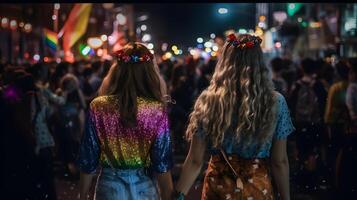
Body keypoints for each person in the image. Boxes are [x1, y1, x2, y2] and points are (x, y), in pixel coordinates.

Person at [174, 34, 295, 200]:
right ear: (260, 63)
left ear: (225, 62)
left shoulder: (209, 101)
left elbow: (195, 160)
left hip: (218, 190)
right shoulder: (275, 102)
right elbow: (279, 161)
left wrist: (178, 195)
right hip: (258, 190)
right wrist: (285, 197)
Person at [77, 43, 173, 200]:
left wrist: (82, 196)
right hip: (145, 189)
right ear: (149, 73)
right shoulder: (156, 110)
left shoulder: (99, 106)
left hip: (109, 188)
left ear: (117, 71)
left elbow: (88, 158)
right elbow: (162, 163)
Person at [288, 58, 328, 191]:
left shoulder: (297, 85)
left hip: (300, 124)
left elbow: (291, 105)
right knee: (313, 151)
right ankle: (312, 179)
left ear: (302, 68)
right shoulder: (318, 85)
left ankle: (302, 179)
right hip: (315, 124)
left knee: (301, 150)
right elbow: (323, 104)